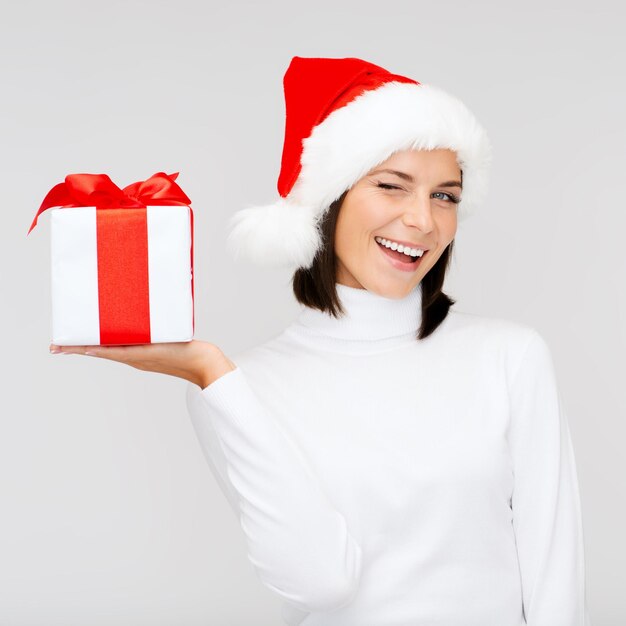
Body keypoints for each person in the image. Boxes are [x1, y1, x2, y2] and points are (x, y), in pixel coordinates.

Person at [49, 56, 592, 625]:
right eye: (391, 186)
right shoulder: (238, 390)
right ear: (328, 202)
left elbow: (556, 573)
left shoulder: (509, 357)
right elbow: (319, 584)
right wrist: (212, 373)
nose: (422, 221)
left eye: (445, 196)